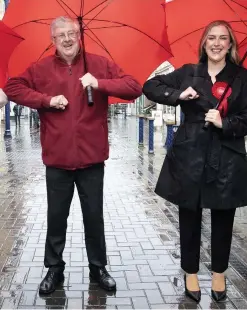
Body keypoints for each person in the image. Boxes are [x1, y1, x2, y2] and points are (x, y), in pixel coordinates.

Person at [4, 16, 142, 294]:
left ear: (79, 35)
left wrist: (100, 83)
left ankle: (98, 268)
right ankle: (54, 269)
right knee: (57, 217)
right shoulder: (40, 68)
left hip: (92, 159)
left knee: (94, 216)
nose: (67, 39)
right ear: (53, 40)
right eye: (61, 35)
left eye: (72, 33)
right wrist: (46, 100)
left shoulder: (99, 64)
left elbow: (134, 87)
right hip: (57, 160)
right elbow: (13, 88)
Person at [143, 20, 247, 303]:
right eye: (211, 38)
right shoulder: (188, 73)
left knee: (223, 216)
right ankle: (190, 272)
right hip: (191, 154)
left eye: (223, 39)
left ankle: (219, 273)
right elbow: (150, 86)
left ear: (230, 44)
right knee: (189, 215)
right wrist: (178, 95)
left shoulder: (241, 76)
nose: (217, 43)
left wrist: (225, 122)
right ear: (204, 43)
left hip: (227, 156)